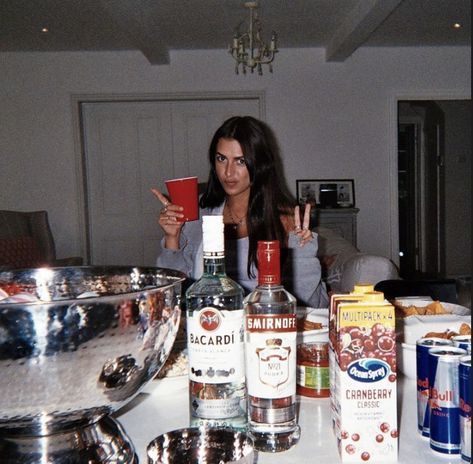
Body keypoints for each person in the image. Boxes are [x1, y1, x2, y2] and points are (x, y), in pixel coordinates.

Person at [152, 116, 328, 308]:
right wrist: (172, 238)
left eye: (240, 161)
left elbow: (311, 306)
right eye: (222, 159)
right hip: (207, 327)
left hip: (262, 328)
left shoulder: (284, 219)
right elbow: (173, 294)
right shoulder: (200, 213)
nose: (228, 172)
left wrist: (303, 253)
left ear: (259, 164)